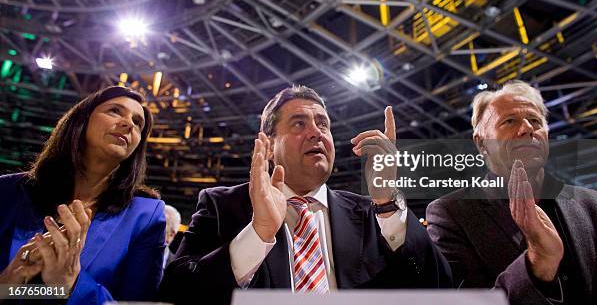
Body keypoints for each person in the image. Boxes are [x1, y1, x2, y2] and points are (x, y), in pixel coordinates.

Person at [160, 85, 451, 304]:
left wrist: (388, 201)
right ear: (269, 145)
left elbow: (436, 286)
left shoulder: (373, 212)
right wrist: (258, 233)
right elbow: (176, 292)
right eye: (299, 123)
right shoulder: (223, 205)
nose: (316, 133)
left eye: (323, 124)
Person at [426, 80, 597, 304]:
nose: (527, 129)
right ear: (481, 143)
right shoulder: (451, 214)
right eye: (509, 121)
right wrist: (537, 263)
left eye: (535, 120)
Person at [0, 86, 166, 303]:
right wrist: (6, 285)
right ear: (81, 120)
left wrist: (72, 284)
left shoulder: (146, 216)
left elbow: (138, 302)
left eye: (138, 123)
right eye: (115, 111)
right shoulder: (7, 191)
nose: (128, 124)